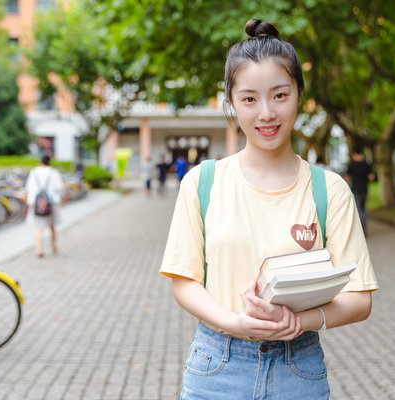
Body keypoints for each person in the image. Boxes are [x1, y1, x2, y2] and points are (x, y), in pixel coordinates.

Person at [159, 19, 378, 399]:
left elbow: (360, 299)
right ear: (231, 102)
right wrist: (236, 322)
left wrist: (299, 321)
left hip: (299, 369)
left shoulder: (330, 190)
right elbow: (185, 282)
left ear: (299, 95)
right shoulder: (202, 182)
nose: (266, 113)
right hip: (216, 368)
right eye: (249, 99)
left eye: (280, 95)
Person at [26, 154, 65, 258]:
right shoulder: (53, 172)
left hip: (37, 204)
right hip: (51, 203)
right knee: (52, 226)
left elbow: (29, 187)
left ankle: (38, 249)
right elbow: (59, 187)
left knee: (39, 228)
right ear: (49, 161)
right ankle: (53, 246)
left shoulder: (34, 172)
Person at [345, 146, 375, 235]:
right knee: (363, 208)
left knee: (357, 209)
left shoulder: (352, 164)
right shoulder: (366, 164)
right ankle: (364, 228)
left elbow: (347, 178)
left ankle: (360, 230)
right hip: (364, 189)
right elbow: (371, 177)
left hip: (355, 189)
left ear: (354, 154)